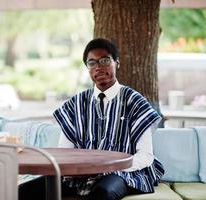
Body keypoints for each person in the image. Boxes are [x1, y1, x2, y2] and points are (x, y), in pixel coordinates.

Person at [52, 38, 164, 200]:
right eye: (91, 63)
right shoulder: (76, 104)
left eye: (104, 60)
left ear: (116, 63)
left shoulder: (134, 101)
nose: (98, 67)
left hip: (122, 173)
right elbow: (65, 152)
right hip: (81, 174)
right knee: (27, 191)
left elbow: (145, 155)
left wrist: (110, 169)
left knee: (102, 193)